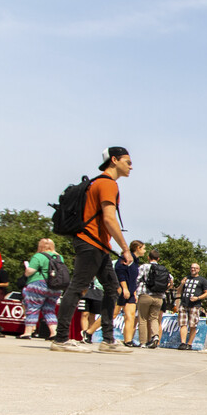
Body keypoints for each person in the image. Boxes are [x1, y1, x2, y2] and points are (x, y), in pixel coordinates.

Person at [51, 146, 133, 353]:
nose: (131, 166)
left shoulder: (97, 183)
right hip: (91, 244)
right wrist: (125, 248)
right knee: (78, 286)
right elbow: (108, 218)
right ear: (114, 160)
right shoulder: (107, 184)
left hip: (97, 244)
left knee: (112, 288)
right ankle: (61, 339)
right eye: (128, 162)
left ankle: (108, 340)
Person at [18, 238, 64, 340]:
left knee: (33, 308)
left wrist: (25, 274)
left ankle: (27, 332)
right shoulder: (59, 257)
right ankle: (54, 333)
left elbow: (30, 270)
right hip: (55, 286)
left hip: (38, 284)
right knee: (49, 310)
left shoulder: (38, 256)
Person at [135, 248, 173, 349]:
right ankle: (155, 336)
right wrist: (165, 288)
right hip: (159, 297)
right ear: (158, 258)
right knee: (154, 318)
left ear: (148, 257)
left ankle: (143, 342)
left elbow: (137, 279)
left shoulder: (144, 267)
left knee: (142, 319)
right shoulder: (163, 269)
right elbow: (171, 281)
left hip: (145, 295)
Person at [114, 240, 144, 347]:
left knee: (130, 316)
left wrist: (134, 292)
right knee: (113, 314)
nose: (145, 251)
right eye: (143, 248)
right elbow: (119, 271)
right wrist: (124, 288)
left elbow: (133, 279)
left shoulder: (135, 261)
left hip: (131, 292)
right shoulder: (127, 258)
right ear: (138, 248)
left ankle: (128, 340)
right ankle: (89, 332)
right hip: (123, 291)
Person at [176, 262, 207, 351]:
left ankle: (189, 344)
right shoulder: (186, 278)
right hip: (184, 303)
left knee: (192, 325)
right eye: (191, 268)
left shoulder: (202, 280)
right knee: (182, 323)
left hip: (195, 305)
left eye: (195, 268)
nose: (193, 269)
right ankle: (183, 343)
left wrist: (197, 298)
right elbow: (178, 291)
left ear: (198, 269)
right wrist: (182, 284)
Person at [80, 278, 104, 344]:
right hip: (85, 291)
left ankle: (89, 335)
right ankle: (84, 334)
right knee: (85, 314)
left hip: (98, 292)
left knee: (92, 315)